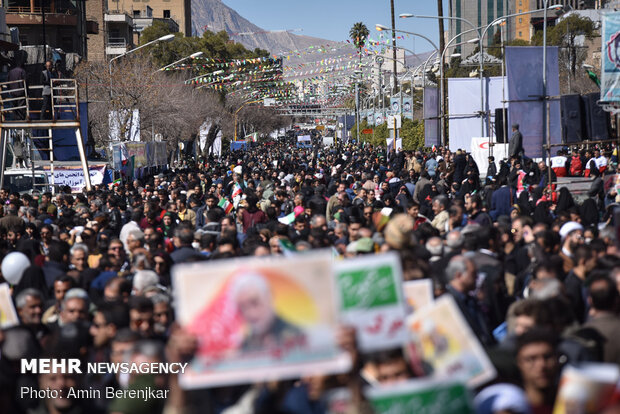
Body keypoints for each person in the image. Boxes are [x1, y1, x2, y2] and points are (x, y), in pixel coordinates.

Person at [231, 271, 305, 352]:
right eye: (243, 307)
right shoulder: (247, 343)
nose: (250, 313)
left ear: (269, 297)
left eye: (255, 303)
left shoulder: (294, 335)